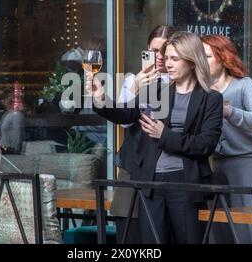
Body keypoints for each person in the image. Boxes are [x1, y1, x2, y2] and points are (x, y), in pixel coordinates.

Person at [88, 32, 223, 243]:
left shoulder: (211, 98)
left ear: (191, 61)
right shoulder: (157, 90)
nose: (168, 64)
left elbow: (206, 144)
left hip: (186, 184)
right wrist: (101, 99)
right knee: (152, 243)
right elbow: (126, 113)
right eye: (166, 58)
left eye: (174, 59)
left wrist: (164, 136)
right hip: (150, 183)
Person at [201, 34, 252, 244]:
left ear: (223, 57)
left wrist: (231, 113)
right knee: (222, 234)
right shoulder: (201, 92)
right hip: (219, 173)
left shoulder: (244, 85)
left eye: (207, 56)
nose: (202, 61)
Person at [114, 25, 176, 244]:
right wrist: (135, 89)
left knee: (160, 232)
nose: (159, 58)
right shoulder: (134, 80)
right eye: (153, 51)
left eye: (164, 51)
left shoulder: (181, 82)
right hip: (133, 162)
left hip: (166, 167)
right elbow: (124, 121)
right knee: (128, 226)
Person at [0, 87, 25, 154]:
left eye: (6, 99)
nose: (3, 101)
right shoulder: (6, 114)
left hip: (10, 150)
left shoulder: (16, 115)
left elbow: (17, 133)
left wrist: (15, 150)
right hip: (4, 149)